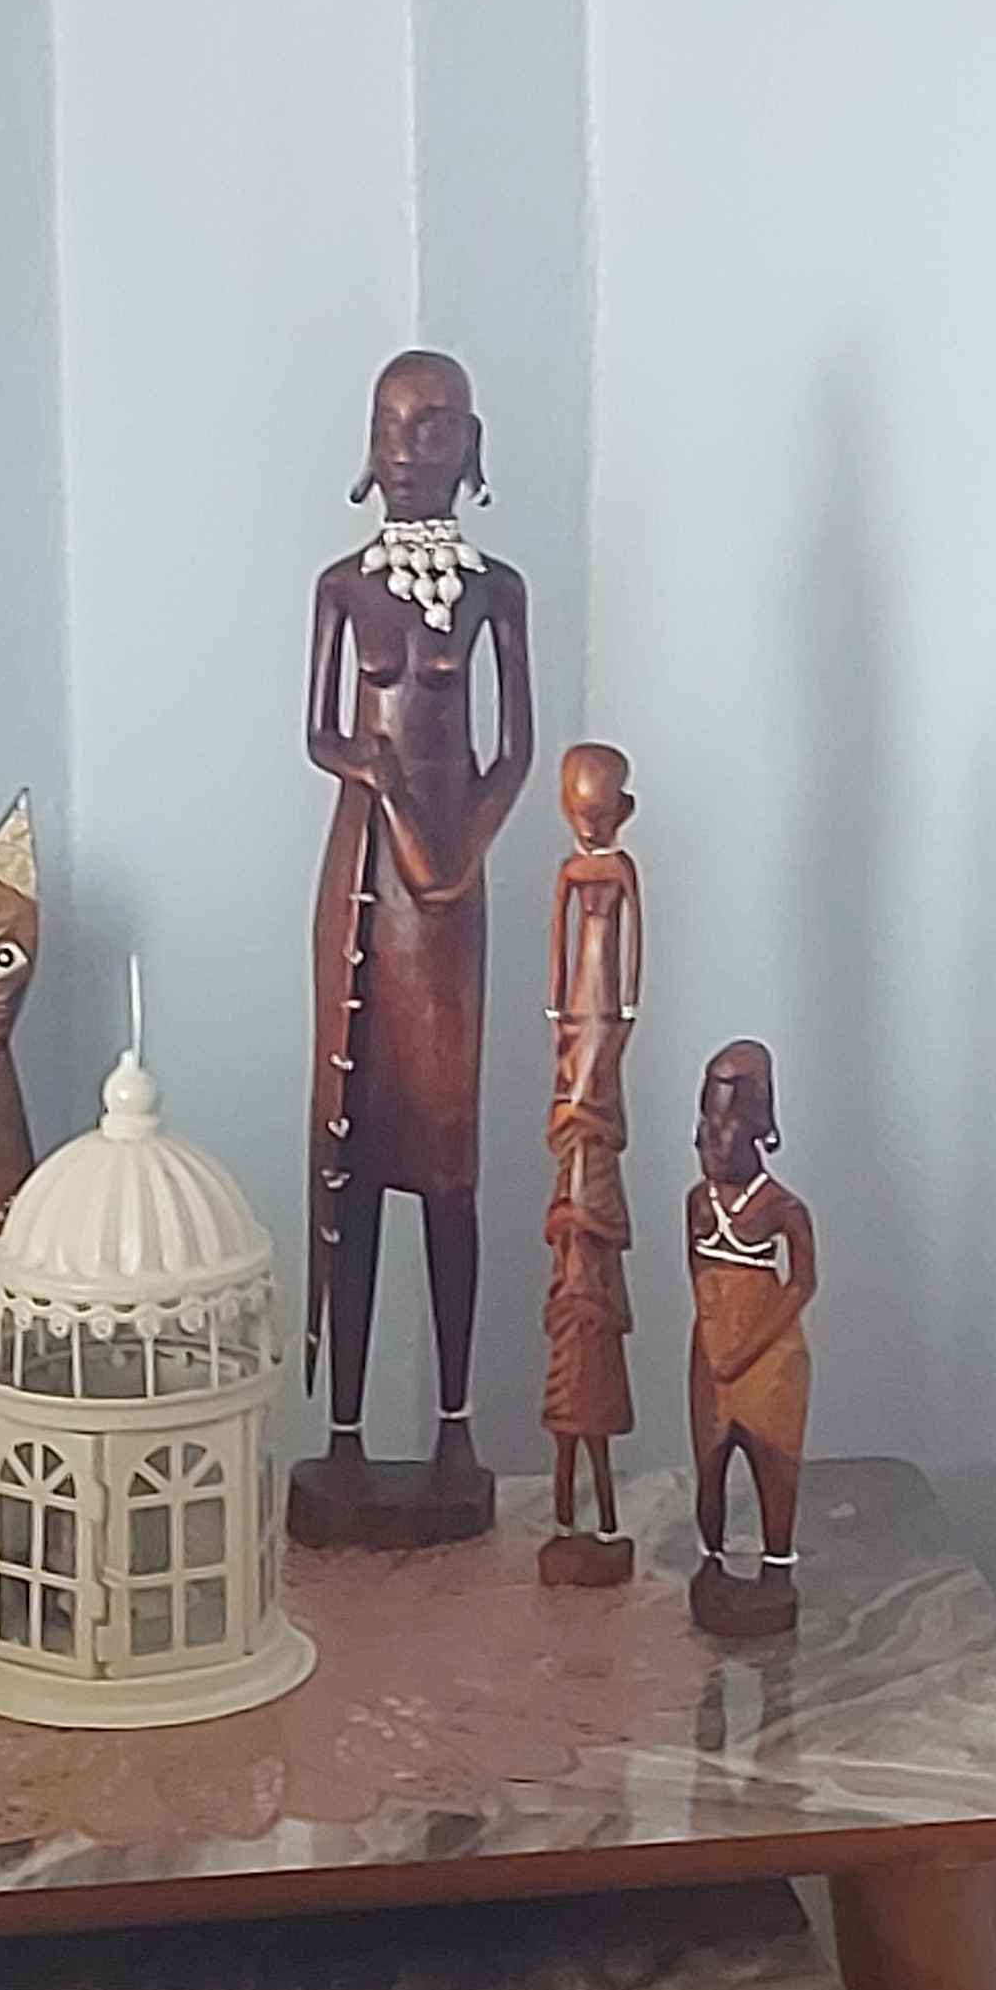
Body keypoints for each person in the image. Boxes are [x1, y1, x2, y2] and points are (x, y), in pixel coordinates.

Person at [299, 348, 535, 1544]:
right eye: (392, 425)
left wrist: (461, 849)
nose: (407, 449)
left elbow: (516, 748)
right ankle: (341, 1427)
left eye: (433, 426)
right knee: (356, 1143)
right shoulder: (345, 585)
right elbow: (319, 731)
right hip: (366, 881)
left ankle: (454, 1418)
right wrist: (383, 786)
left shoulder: (496, 591)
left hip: (449, 896)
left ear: (470, 446)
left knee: (448, 1157)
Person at [537, 743, 644, 1586]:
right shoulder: (573, 871)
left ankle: (597, 1521)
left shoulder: (617, 869)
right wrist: (553, 1005)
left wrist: (629, 1003)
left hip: (604, 998)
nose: (590, 826)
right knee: (579, 1085)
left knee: (593, 1083)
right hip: (578, 999)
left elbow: (630, 938)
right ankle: (576, 1519)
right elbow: (556, 938)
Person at [685, 1037, 813, 1636]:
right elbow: (696, 1271)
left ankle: (776, 1567)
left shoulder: (784, 1208)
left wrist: (748, 1346)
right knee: (709, 1463)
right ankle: (710, 1560)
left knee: (774, 1466)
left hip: (770, 1361)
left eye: (725, 1129)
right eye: (705, 1126)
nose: (710, 1141)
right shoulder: (697, 1201)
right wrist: (716, 1340)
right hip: (712, 1356)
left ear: (759, 1128)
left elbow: (802, 1284)